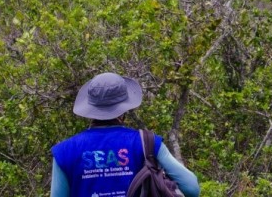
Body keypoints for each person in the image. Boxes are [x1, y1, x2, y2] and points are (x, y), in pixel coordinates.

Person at [50, 72, 200, 197]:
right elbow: (192, 188)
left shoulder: (64, 152)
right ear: (124, 108)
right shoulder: (147, 142)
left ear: (90, 108)